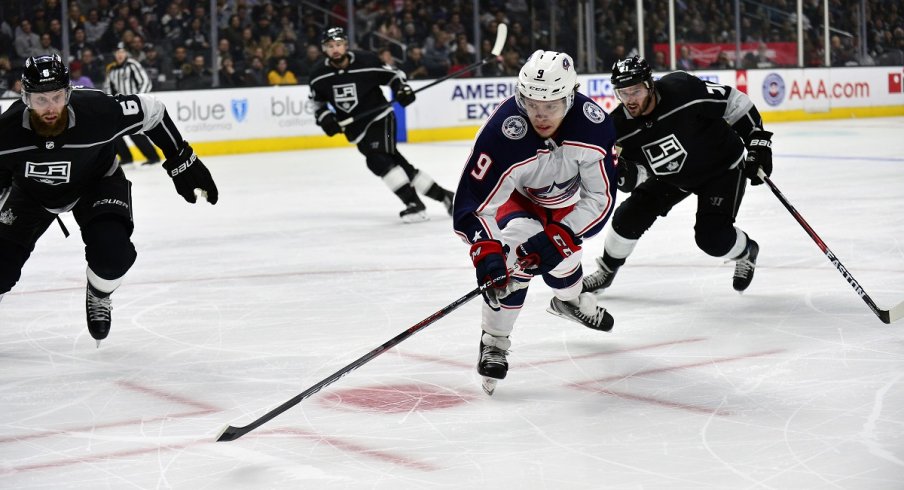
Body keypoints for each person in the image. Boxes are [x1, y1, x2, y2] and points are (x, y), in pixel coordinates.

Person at [0, 54, 219, 346]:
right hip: (31, 193)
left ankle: (99, 293)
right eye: (40, 100)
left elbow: (152, 111)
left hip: (96, 184)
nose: (50, 108)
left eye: (57, 97)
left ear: (69, 92)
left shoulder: (97, 110)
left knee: (114, 255)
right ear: (25, 97)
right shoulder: (5, 132)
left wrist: (181, 159)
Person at [452, 50, 618, 394]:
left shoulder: (594, 126)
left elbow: (600, 199)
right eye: (531, 104)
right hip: (518, 201)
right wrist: (486, 249)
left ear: (570, 99)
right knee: (515, 257)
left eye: (551, 106)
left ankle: (569, 301)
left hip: (565, 208)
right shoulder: (502, 132)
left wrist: (563, 234)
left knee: (565, 263)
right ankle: (494, 340)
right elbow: (472, 204)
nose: (539, 115)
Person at [582, 56, 772, 296]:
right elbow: (641, 169)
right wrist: (628, 175)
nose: (630, 100)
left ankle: (747, 251)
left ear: (650, 84)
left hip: (721, 167)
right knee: (626, 218)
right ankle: (607, 271)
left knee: (712, 239)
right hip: (674, 175)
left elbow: (733, 102)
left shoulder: (682, 90)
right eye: (623, 93)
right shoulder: (620, 129)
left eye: (636, 91)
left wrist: (758, 144)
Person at [309, 27, 454, 222]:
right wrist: (326, 118)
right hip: (356, 130)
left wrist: (402, 89)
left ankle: (414, 205)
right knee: (400, 166)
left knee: (377, 160)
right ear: (324, 49)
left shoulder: (366, 61)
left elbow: (394, 75)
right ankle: (446, 197)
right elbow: (316, 102)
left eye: (338, 45)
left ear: (345, 45)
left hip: (380, 118)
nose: (335, 49)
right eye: (330, 46)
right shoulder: (319, 75)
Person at [104, 42, 160, 166]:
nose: (119, 55)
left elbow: (146, 82)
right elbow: (108, 88)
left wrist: (138, 99)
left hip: (134, 105)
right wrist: (109, 102)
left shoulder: (133, 65)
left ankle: (153, 157)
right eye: (117, 52)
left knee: (135, 132)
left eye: (122, 52)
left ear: (126, 54)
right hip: (119, 106)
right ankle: (127, 158)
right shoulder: (112, 69)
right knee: (114, 132)